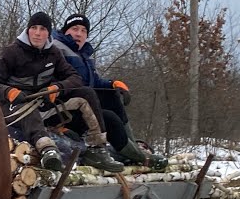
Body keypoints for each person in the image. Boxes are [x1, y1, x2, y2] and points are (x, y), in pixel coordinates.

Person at [0, 11, 125, 173]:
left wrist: (57, 88)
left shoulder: (53, 53)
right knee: (29, 109)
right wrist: (9, 91)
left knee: (86, 93)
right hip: (15, 106)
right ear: (28, 30)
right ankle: (47, 150)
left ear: (48, 33)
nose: (38, 33)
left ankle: (98, 148)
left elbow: (74, 78)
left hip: (43, 103)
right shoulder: (11, 52)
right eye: (34, 28)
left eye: (43, 29)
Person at [52, 13, 167, 169]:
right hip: (65, 109)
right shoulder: (58, 50)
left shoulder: (83, 55)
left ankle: (131, 145)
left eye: (83, 30)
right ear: (65, 31)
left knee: (111, 96)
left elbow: (94, 81)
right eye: (74, 28)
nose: (79, 33)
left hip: (85, 103)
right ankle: (140, 157)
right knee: (109, 118)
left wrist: (113, 84)